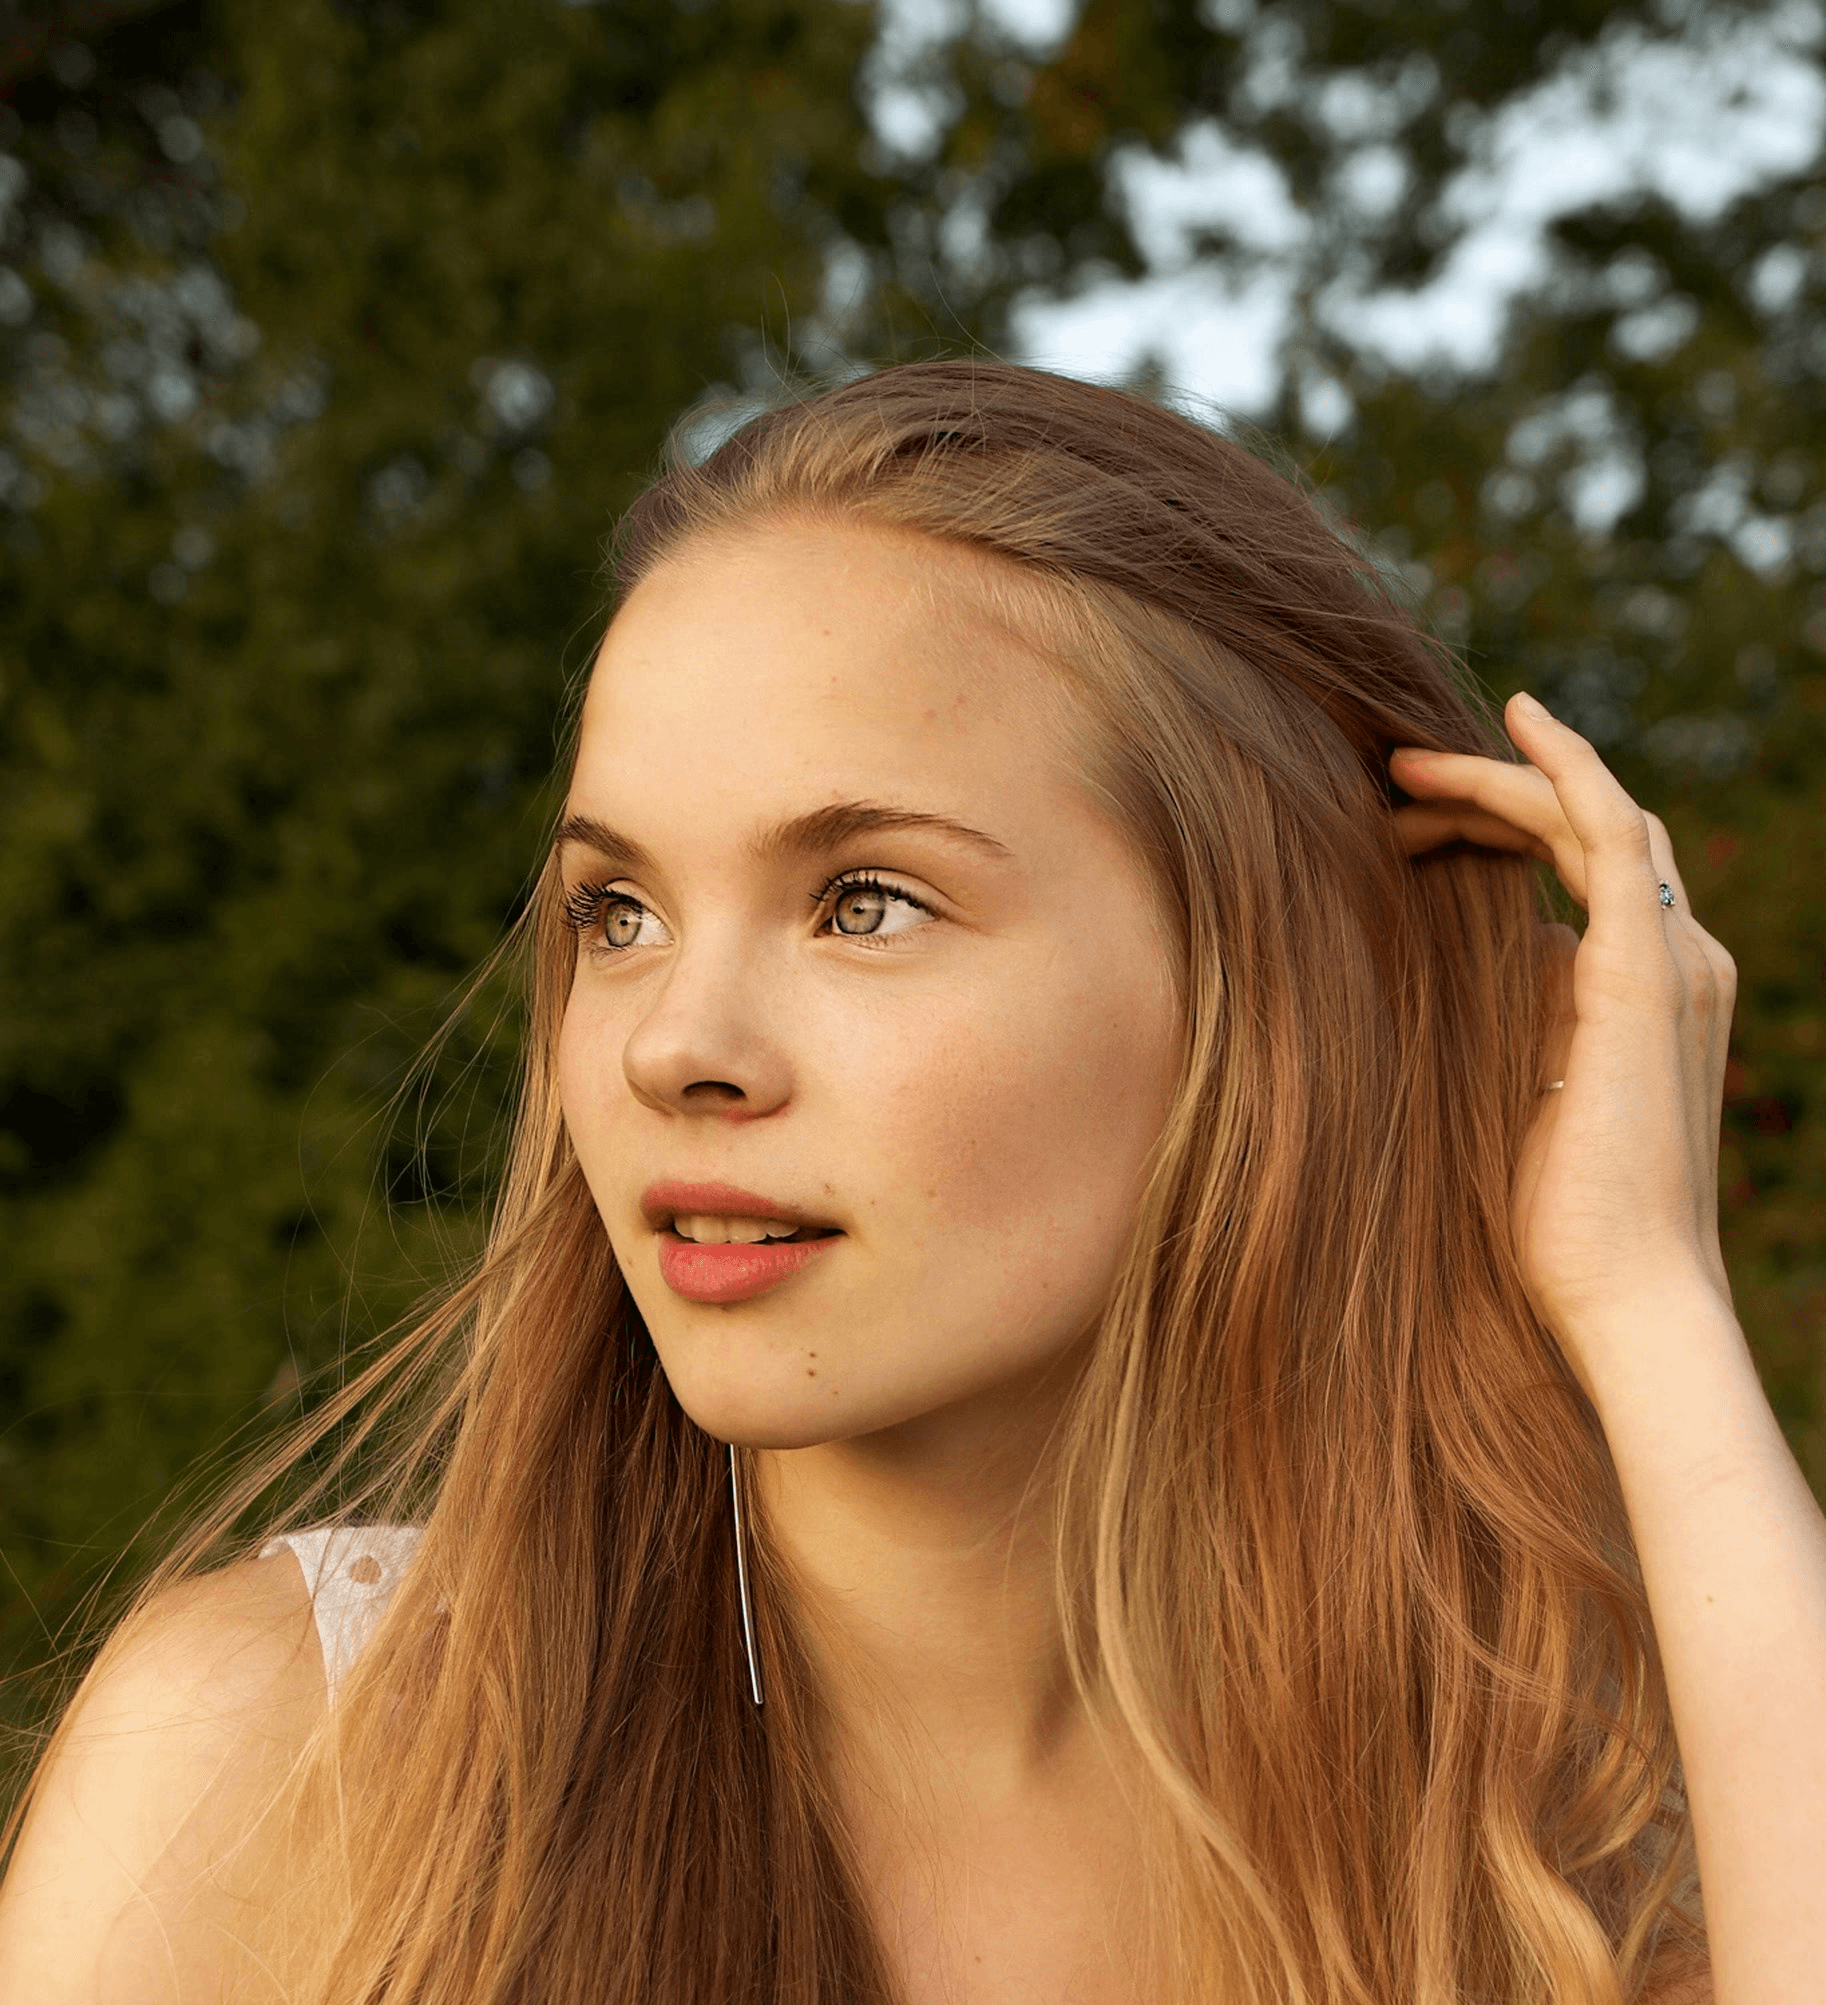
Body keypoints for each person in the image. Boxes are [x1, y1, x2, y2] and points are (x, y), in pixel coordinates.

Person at [0, 358, 1815, 2004]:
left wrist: (1644, 1296)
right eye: (615, 911)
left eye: (863, 899)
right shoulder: (282, 1770)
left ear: (1270, 998)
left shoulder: (1533, 1869)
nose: (667, 1047)